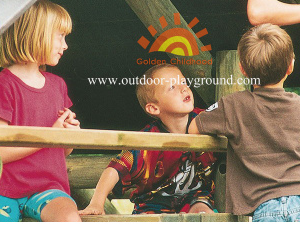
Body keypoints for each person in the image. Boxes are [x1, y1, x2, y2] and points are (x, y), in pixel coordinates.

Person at [188, 23, 300, 222]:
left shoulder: (233, 105)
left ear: (242, 69)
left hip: (266, 205)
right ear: (291, 66)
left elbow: (193, 129)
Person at [0, 0, 82, 222]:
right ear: (36, 33)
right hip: (3, 190)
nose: (65, 45)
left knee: (70, 221)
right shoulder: (4, 85)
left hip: (50, 190)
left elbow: (64, 151)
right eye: (60, 36)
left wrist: (68, 134)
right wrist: (50, 136)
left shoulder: (58, 85)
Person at [79, 64, 217, 215]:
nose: (183, 88)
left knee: (202, 212)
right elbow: (115, 168)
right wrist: (96, 203)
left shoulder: (206, 120)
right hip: (153, 204)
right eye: (172, 87)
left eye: (183, 82)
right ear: (154, 108)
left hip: (195, 198)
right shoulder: (147, 141)